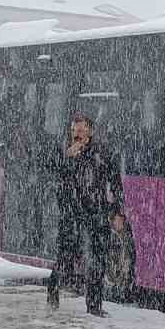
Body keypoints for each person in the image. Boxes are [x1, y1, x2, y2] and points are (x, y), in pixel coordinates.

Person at [46, 114, 125, 317]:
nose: (77, 134)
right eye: (74, 130)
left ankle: (94, 305)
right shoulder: (64, 151)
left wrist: (118, 212)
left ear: (90, 131)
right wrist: (67, 158)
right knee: (66, 256)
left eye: (81, 130)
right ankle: (53, 290)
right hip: (72, 214)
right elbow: (54, 174)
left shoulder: (102, 153)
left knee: (98, 259)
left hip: (96, 212)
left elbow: (115, 184)